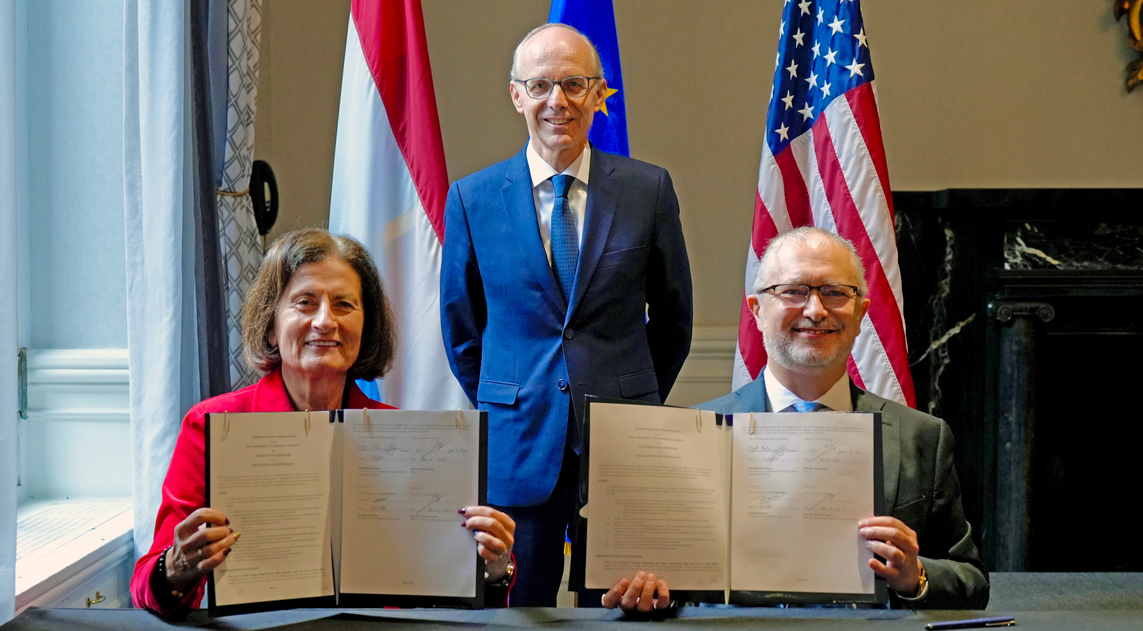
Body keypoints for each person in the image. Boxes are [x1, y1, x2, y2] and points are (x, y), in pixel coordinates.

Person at [131, 229, 516, 618]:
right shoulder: (211, 426)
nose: (325, 321)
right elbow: (146, 584)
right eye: (305, 302)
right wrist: (177, 567)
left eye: (344, 305)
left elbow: (451, 599)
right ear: (271, 323)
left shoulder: (415, 441)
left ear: (366, 329)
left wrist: (495, 568)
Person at [601, 227, 989, 612]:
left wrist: (914, 576)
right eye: (794, 291)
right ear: (756, 309)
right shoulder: (691, 435)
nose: (816, 310)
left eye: (836, 292)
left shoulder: (922, 437)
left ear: (860, 314)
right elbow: (668, 583)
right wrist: (649, 593)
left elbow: (971, 581)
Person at [440, 23, 694, 606]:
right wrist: (508, 394)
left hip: (621, 446)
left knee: (622, 611)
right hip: (517, 443)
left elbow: (675, 320)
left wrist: (631, 393)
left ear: (599, 92)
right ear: (516, 95)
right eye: (542, 85)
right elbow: (462, 329)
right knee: (515, 608)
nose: (558, 101)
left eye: (575, 85)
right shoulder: (472, 199)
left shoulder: (647, 189)